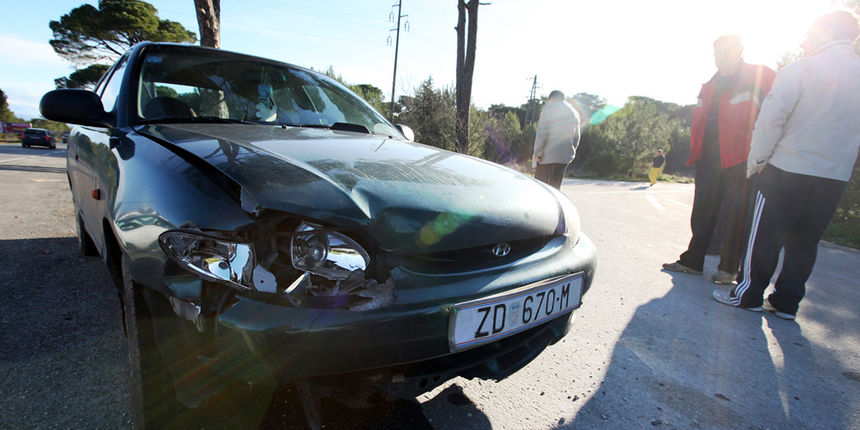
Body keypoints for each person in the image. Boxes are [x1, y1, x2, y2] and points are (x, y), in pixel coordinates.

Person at [712, 10, 860, 320]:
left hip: (786, 169)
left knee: (764, 236)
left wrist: (757, 162)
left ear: (825, 32)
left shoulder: (802, 68)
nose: (804, 40)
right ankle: (786, 302)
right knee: (805, 241)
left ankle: (748, 295)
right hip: (834, 176)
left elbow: (771, 119)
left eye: (809, 32)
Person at [663, 35, 776, 284]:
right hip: (709, 157)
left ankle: (728, 269)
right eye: (717, 53)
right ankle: (692, 261)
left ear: (739, 50)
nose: (720, 57)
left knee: (735, 213)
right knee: (702, 211)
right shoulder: (710, 85)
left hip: (741, 157)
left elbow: (777, 113)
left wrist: (765, 153)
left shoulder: (760, 76)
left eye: (726, 51)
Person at [533, 90, 581, 189]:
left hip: (547, 158)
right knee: (555, 188)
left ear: (552, 98)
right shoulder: (574, 112)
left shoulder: (549, 109)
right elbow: (577, 137)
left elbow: (542, 133)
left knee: (540, 189)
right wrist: (571, 151)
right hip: (564, 157)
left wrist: (538, 153)